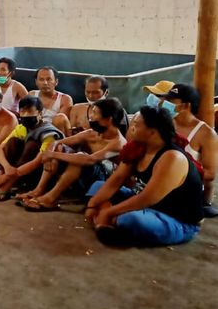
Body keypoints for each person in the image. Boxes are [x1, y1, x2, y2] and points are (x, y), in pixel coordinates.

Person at [86, 106, 204, 247]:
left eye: (136, 125)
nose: (131, 128)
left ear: (152, 132)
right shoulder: (138, 148)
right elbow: (116, 180)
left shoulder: (172, 158)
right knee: (99, 186)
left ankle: (112, 221)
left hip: (176, 219)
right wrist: (92, 204)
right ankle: (110, 221)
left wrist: (108, 212)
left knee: (131, 220)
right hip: (142, 202)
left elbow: (146, 199)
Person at [21, 98, 127, 211]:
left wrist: (52, 155)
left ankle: (51, 198)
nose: (90, 116)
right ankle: (39, 190)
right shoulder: (91, 133)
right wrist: (51, 151)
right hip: (82, 179)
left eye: (94, 113)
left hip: (104, 182)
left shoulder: (118, 144)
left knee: (80, 157)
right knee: (59, 147)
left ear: (108, 120)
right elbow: (57, 141)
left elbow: (90, 160)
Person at [0, 95, 64, 200]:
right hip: (19, 171)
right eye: (23, 112)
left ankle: (6, 186)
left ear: (40, 114)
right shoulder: (21, 128)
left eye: (30, 112)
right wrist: (5, 168)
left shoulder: (48, 133)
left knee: (32, 144)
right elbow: (0, 150)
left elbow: (37, 161)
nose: (26, 115)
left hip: (40, 173)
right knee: (12, 142)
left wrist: (7, 177)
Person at [163, 84, 218, 218]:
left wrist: (177, 174)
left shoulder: (206, 134)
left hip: (185, 189)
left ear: (186, 106)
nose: (166, 104)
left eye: (171, 102)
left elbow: (210, 174)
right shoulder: (166, 122)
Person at [28, 66, 73, 135]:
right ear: (36, 82)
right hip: (33, 132)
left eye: (49, 79)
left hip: (55, 133)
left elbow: (61, 123)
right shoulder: (31, 94)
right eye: (41, 79)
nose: (45, 83)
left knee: (60, 117)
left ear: (56, 82)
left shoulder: (65, 99)